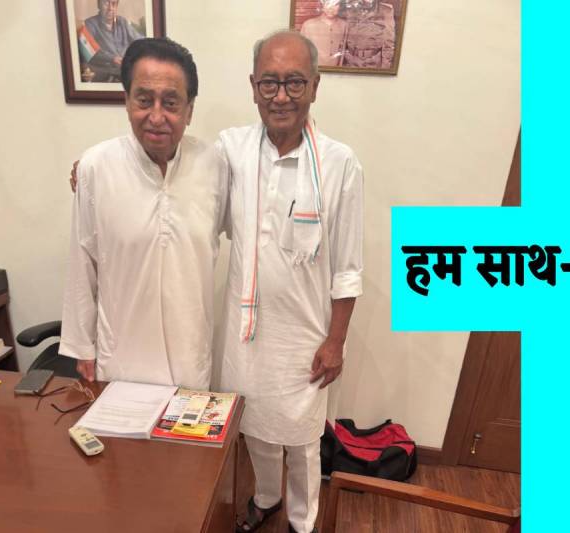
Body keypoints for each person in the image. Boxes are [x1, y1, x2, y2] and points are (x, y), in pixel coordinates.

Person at [217, 31, 363, 533]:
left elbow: (348, 265)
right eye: (270, 83)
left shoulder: (340, 163)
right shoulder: (230, 150)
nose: (281, 96)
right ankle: (266, 497)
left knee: (302, 440)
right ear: (253, 86)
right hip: (245, 331)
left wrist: (336, 342)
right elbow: (181, 177)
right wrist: (99, 170)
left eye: (294, 82)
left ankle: (303, 521)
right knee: (254, 427)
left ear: (315, 86)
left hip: (304, 337)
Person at [60, 37, 227, 390]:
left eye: (171, 103)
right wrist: (82, 347)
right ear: (126, 101)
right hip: (122, 359)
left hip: (190, 357)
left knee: (188, 427)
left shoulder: (214, 165)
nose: (156, 117)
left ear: (189, 110)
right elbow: (82, 262)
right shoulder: (96, 167)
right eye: (144, 100)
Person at [79, 0, 144, 82]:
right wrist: (112, 58)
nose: (110, 8)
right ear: (99, 5)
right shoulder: (90, 24)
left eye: (114, 4)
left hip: (126, 68)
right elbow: (87, 50)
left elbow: (139, 40)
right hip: (106, 72)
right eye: (106, 3)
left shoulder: (122, 22)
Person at [343, 0, 395, 69]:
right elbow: (343, 38)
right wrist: (348, 58)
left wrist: (385, 68)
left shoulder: (385, 10)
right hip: (351, 62)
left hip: (374, 63)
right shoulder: (350, 9)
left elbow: (389, 43)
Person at [299, 0, 348, 67]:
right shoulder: (308, 25)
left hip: (337, 71)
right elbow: (301, 52)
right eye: (327, 3)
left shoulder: (344, 25)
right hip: (314, 70)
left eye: (335, 4)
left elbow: (344, 50)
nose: (331, 8)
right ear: (322, 5)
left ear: (340, 6)